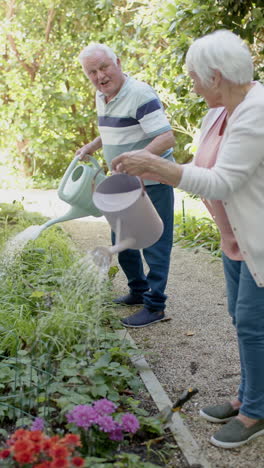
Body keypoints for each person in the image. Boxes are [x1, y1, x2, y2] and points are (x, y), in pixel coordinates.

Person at [111, 30, 264, 449]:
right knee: (240, 318)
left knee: (254, 326)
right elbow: (199, 167)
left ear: (215, 76)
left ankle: (256, 412)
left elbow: (223, 182)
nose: (192, 84)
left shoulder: (257, 110)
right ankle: (247, 396)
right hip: (235, 237)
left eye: (195, 76)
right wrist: (148, 173)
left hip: (260, 239)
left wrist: (159, 167)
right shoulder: (217, 112)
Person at [76, 43, 175, 328]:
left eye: (104, 67)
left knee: (154, 242)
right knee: (121, 241)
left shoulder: (140, 94)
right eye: (92, 72)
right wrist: (93, 145)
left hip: (152, 181)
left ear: (117, 62)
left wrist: (137, 159)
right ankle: (138, 291)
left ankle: (155, 306)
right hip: (122, 184)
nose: (99, 76)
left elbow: (166, 138)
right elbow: (109, 129)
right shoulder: (102, 94)